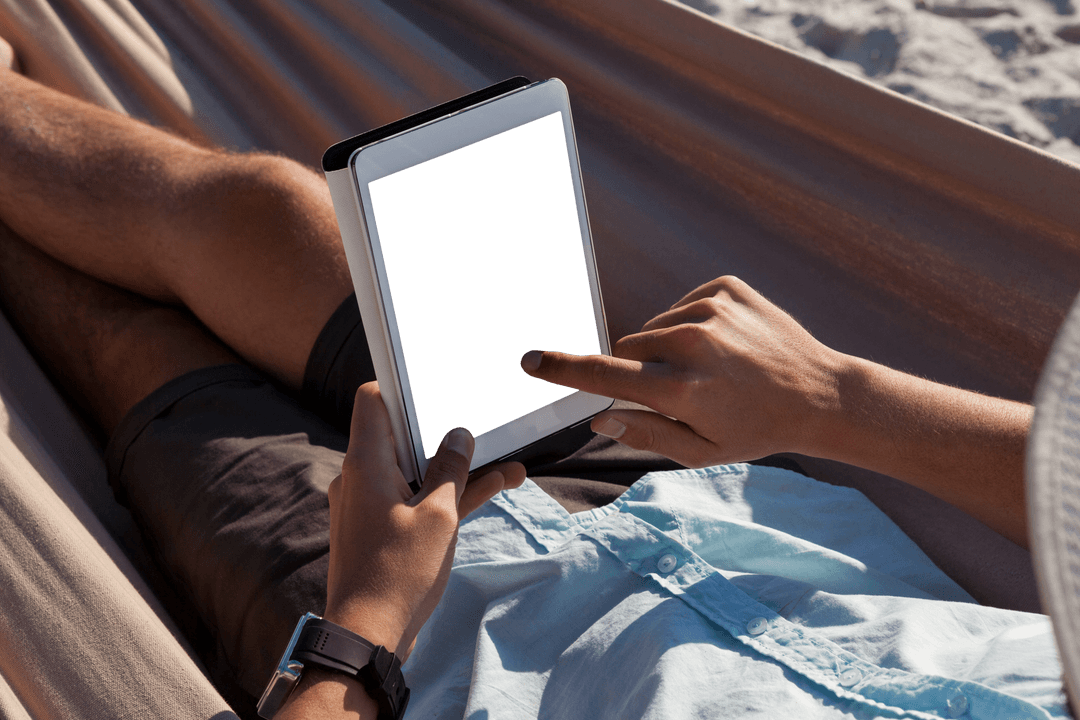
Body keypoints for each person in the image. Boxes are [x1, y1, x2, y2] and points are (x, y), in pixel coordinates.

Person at [0, 38, 1072, 719]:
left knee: (132, 350)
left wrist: (363, 625)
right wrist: (839, 401)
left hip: (431, 648)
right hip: (680, 481)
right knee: (268, 219)